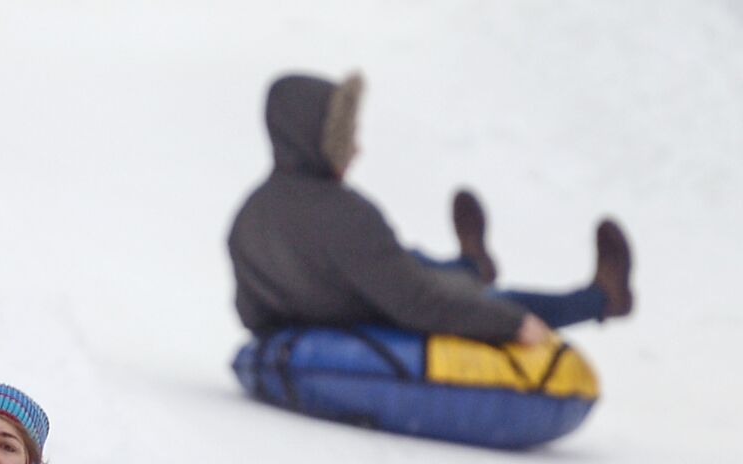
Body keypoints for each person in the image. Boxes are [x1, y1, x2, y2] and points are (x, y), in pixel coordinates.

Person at [228, 72, 636, 348]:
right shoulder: (345, 215)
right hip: (380, 312)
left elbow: (250, 312)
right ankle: (602, 298)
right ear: (319, 140)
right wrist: (509, 323)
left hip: (354, 289)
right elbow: (418, 303)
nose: (356, 150)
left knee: (408, 260)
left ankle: (472, 263)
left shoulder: (248, 218)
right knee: (485, 299)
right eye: (346, 138)